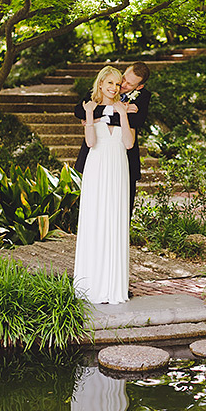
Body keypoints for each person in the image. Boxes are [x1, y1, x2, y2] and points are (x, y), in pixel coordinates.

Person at [73, 66, 134, 305]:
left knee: (115, 220)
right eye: (109, 83)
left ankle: (113, 287)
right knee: (96, 220)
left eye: (117, 84)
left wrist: (124, 114)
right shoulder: (90, 108)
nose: (114, 88)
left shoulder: (124, 109)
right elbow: (90, 142)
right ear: (100, 84)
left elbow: (129, 144)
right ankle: (92, 285)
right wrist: (89, 115)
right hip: (97, 168)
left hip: (118, 168)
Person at [74, 62, 151, 215]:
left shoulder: (143, 97)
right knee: (95, 202)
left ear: (139, 87)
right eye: (124, 78)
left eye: (129, 84)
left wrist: (98, 118)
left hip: (124, 156)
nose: (122, 85)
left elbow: (137, 121)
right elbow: (79, 111)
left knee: (123, 206)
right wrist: (113, 110)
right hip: (97, 153)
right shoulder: (107, 84)